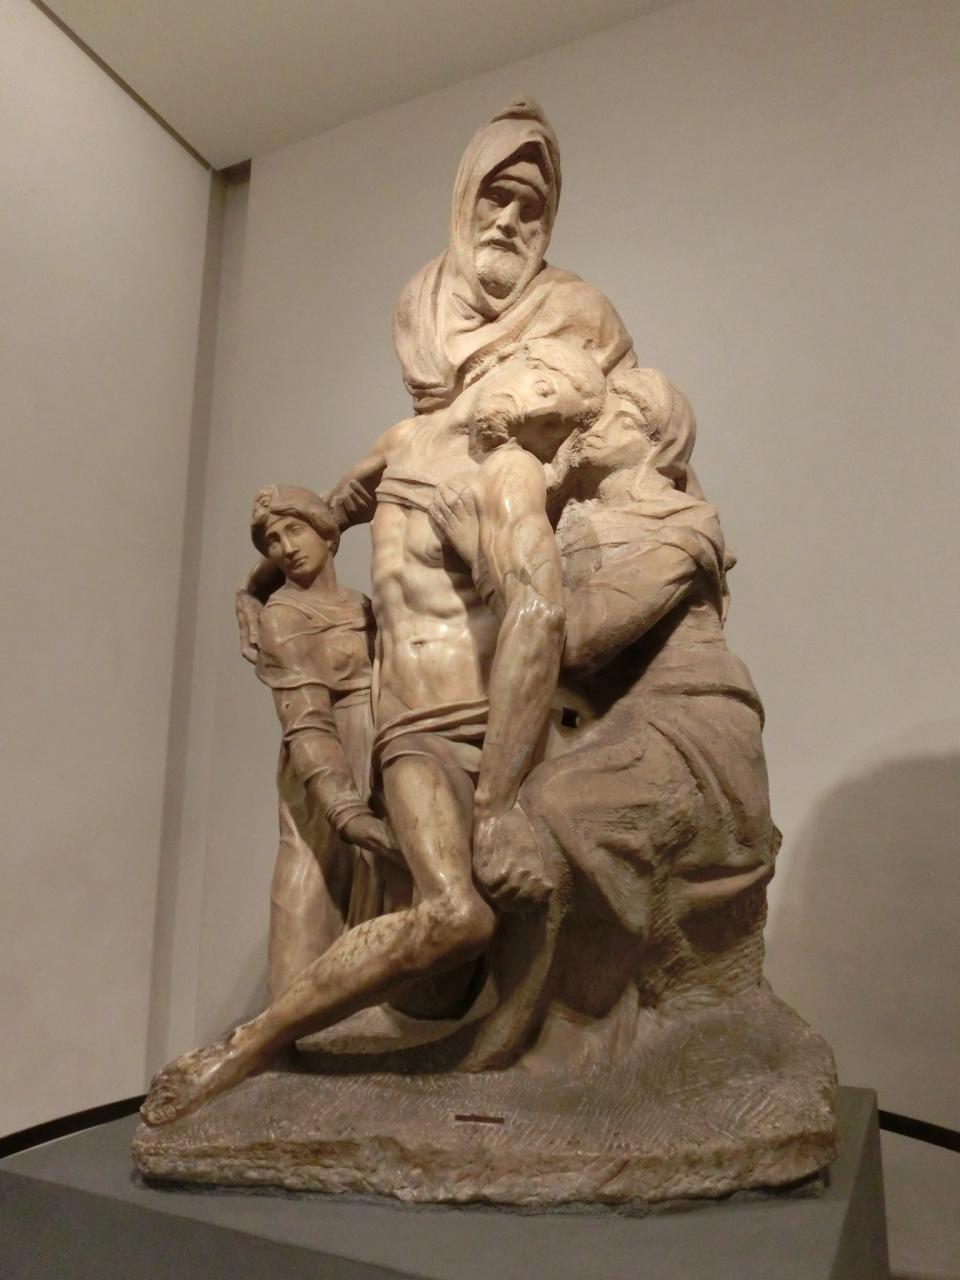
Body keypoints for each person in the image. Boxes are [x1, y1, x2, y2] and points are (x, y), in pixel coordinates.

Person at [140, 338, 607, 1125]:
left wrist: (498, 801)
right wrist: (258, 586)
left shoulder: (508, 472)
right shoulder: (401, 443)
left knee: (472, 935)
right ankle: (255, 1043)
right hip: (413, 730)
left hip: (491, 724)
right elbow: (326, 515)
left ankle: (264, 1038)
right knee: (455, 916)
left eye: (555, 421)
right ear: (518, 362)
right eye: (546, 393)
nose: (538, 420)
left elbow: (537, 613)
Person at [429, 368, 779, 1070]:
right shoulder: (568, 517)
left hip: (690, 720)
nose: (591, 422)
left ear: (654, 436)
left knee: (559, 808)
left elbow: (577, 639)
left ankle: (572, 1022)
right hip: (607, 722)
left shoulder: (685, 526)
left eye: (614, 412)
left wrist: (479, 552)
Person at [245, 486, 404, 999]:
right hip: (325, 769)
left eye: (295, 529)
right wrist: (346, 811)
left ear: (327, 534)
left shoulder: (364, 606)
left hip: (379, 754)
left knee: (381, 903)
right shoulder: (283, 618)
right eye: (273, 540)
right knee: (308, 892)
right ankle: (284, 1025)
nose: (286, 547)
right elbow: (307, 723)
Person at [392, 97, 637, 414]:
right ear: (466, 198)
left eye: (530, 209)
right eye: (497, 196)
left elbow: (634, 419)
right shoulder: (418, 304)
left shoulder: (582, 310)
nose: (508, 222)